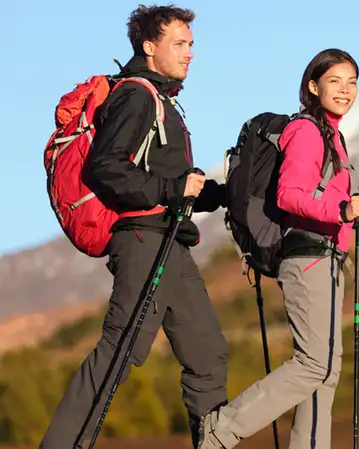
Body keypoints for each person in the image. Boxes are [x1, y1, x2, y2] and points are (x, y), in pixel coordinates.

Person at [196, 48, 359, 449]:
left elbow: (337, 210)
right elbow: (291, 195)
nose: (345, 90)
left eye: (352, 82)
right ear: (313, 86)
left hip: (326, 258)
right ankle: (220, 431)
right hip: (308, 259)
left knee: (325, 370)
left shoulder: (333, 137)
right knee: (314, 363)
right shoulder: (307, 131)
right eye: (335, 81)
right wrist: (342, 209)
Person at [39, 5, 229, 449]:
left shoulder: (164, 101)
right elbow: (106, 168)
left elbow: (174, 186)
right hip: (143, 238)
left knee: (207, 352)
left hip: (172, 241)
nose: (189, 53)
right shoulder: (137, 95)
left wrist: (223, 193)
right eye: (179, 44)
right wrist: (172, 186)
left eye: (191, 44)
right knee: (122, 347)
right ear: (149, 46)